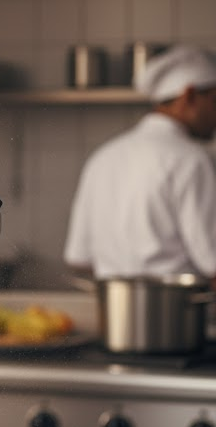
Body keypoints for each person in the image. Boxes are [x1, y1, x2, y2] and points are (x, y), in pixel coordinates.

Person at [64, 44, 216, 281]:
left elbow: (79, 258)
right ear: (190, 96)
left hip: (116, 312)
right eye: (214, 101)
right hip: (178, 313)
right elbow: (212, 261)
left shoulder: (103, 157)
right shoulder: (192, 159)